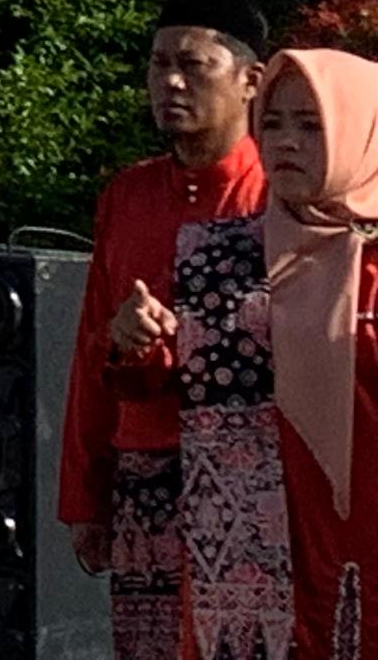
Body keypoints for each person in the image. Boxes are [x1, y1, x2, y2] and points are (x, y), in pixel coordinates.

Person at [62, 0, 274, 660]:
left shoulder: (280, 193)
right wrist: (84, 498)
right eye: (160, 65)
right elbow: (91, 347)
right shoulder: (127, 194)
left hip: (254, 483)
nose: (171, 83)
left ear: (250, 81)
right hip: (145, 477)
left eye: (192, 65)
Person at [168, 49, 378, 660]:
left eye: (310, 125)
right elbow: (181, 386)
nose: (285, 142)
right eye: (274, 122)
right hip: (255, 544)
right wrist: (141, 345)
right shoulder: (222, 256)